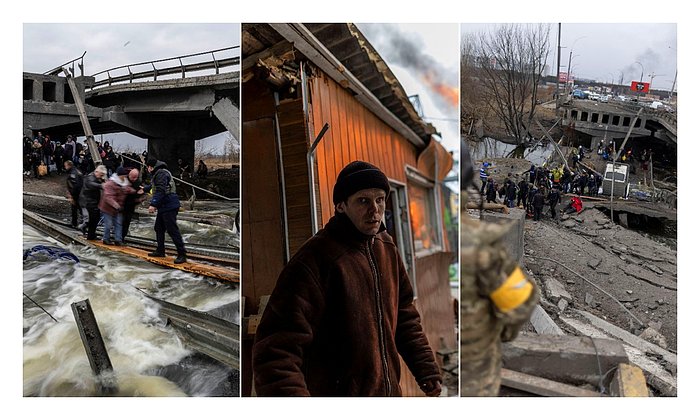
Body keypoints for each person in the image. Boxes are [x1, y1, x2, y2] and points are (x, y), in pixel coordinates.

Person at [253, 161, 442, 397]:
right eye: (363, 201)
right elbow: (275, 352)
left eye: (380, 199)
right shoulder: (315, 260)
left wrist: (426, 368)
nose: (374, 210)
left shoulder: (386, 247)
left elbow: (404, 315)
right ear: (341, 206)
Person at [145, 158, 187, 264]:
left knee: (172, 230)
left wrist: (153, 204)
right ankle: (160, 250)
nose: (147, 169)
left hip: (169, 205)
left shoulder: (161, 173)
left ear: (151, 167)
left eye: (147, 167)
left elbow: (160, 189)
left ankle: (182, 254)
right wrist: (145, 189)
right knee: (158, 228)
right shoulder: (159, 173)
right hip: (164, 206)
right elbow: (155, 186)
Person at [98, 167, 133, 246]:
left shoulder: (125, 183)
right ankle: (106, 239)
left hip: (118, 208)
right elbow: (108, 197)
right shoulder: (110, 184)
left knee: (118, 223)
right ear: (119, 175)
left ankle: (118, 240)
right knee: (108, 224)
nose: (125, 177)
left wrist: (137, 191)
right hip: (107, 208)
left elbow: (128, 189)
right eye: (123, 175)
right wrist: (116, 205)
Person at [79, 165, 107, 240]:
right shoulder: (90, 177)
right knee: (92, 220)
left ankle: (90, 234)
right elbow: (91, 184)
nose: (101, 177)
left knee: (95, 219)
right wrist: (102, 186)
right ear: (97, 172)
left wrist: (102, 181)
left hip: (92, 201)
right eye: (101, 175)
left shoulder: (96, 177)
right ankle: (86, 231)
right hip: (88, 202)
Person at [121, 168, 145, 241]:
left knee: (127, 222)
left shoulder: (138, 182)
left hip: (131, 205)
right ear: (129, 175)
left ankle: (122, 237)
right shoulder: (124, 180)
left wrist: (140, 197)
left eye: (136, 177)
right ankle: (118, 237)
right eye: (133, 177)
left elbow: (140, 191)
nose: (134, 179)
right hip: (122, 204)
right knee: (120, 222)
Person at [64, 160, 83, 228]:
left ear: (69, 166)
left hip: (77, 195)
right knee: (76, 209)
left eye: (65, 166)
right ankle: (75, 222)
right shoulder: (77, 171)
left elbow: (75, 186)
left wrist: (72, 196)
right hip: (79, 194)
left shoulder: (73, 174)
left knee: (78, 209)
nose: (65, 167)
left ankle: (78, 223)